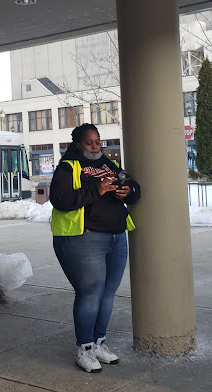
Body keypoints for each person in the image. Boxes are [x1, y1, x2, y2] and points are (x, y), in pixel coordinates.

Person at [50, 123, 140, 373]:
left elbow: (136, 189)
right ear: (78, 144)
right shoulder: (69, 167)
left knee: (108, 293)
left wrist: (126, 191)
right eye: (89, 142)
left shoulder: (108, 164)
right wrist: (97, 188)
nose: (95, 146)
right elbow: (60, 199)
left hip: (116, 237)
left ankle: (100, 343)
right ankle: (85, 349)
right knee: (90, 293)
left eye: (98, 142)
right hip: (85, 238)